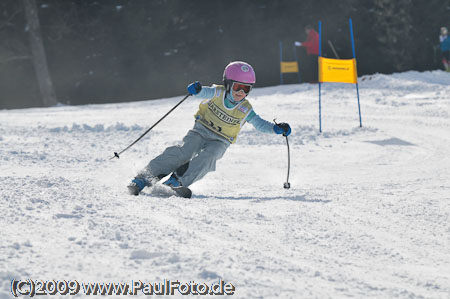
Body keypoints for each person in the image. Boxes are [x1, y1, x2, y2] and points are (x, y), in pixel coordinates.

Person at [127, 61, 292, 196]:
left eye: (246, 89)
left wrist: (275, 129)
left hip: (221, 140)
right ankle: (143, 178)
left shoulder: (245, 108)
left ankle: (178, 181)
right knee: (184, 151)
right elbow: (204, 92)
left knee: (210, 157)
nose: (241, 92)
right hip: (201, 130)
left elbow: (259, 123)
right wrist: (197, 90)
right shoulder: (217, 93)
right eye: (237, 87)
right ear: (228, 84)